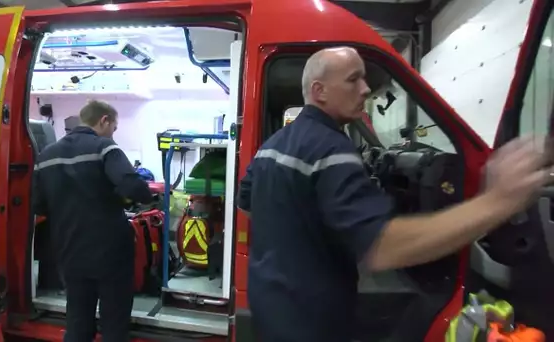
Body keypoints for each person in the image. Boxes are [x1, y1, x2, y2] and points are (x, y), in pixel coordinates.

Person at [236, 47, 552, 342]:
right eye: (353, 80)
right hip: (313, 320)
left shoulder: (273, 145)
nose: (364, 89)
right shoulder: (332, 150)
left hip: (270, 304)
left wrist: (306, 237)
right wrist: (497, 201)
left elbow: (248, 201)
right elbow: (383, 247)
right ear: (319, 91)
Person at [33, 100, 154, 342]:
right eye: (114, 127)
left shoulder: (46, 156)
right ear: (104, 120)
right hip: (110, 252)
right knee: (113, 322)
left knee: (78, 321)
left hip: (69, 250)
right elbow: (134, 186)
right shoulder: (105, 148)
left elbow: (37, 204)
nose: (113, 132)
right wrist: (128, 199)